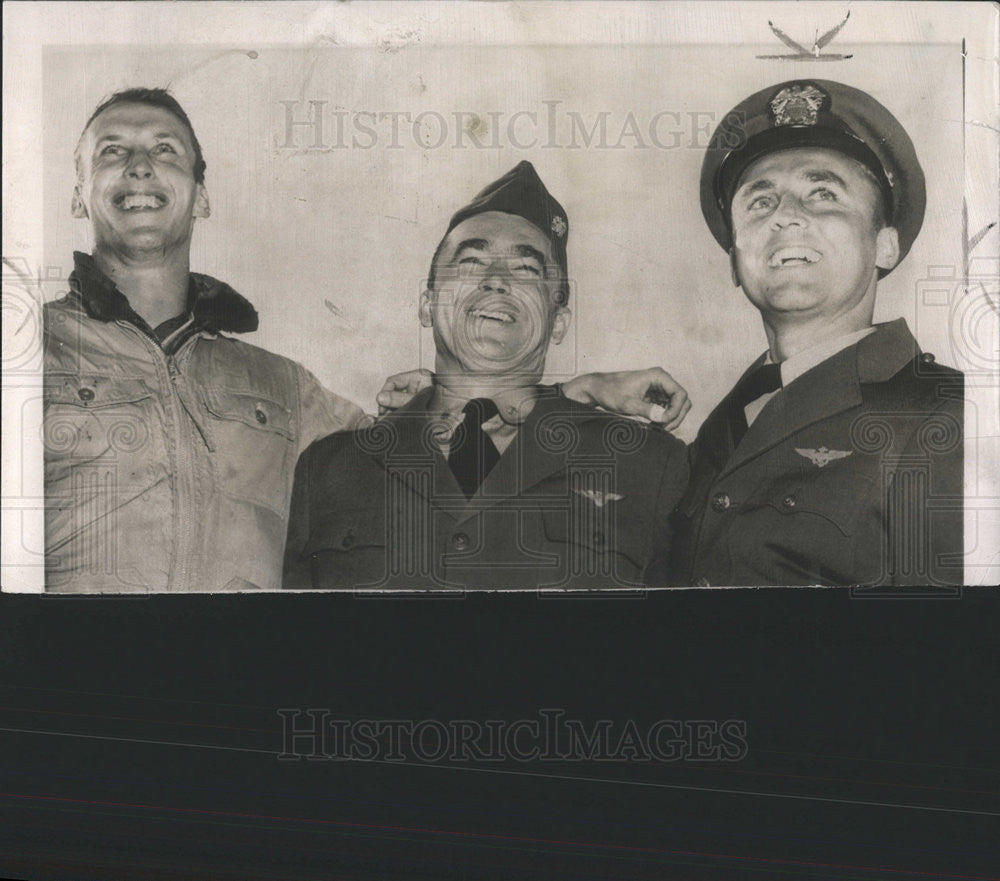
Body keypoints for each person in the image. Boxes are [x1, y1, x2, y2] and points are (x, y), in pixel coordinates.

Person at [45, 88, 689, 592]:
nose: (138, 167)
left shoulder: (284, 391)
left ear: (202, 195)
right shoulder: (20, 353)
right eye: (110, 151)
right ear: (76, 193)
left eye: (165, 150)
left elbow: (464, 419)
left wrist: (565, 398)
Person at [284, 161, 690, 589]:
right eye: (471, 262)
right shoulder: (331, 468)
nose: (496, 280)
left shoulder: (648, 465)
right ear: (427, 304)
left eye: (527, 269)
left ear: (558, 322)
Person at [657, 79, 964, 587]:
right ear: (737, 261)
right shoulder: (719, 433)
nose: (785, 217)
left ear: (884, 246)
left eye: (823, 193)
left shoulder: (950, 416)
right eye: (760, 201)